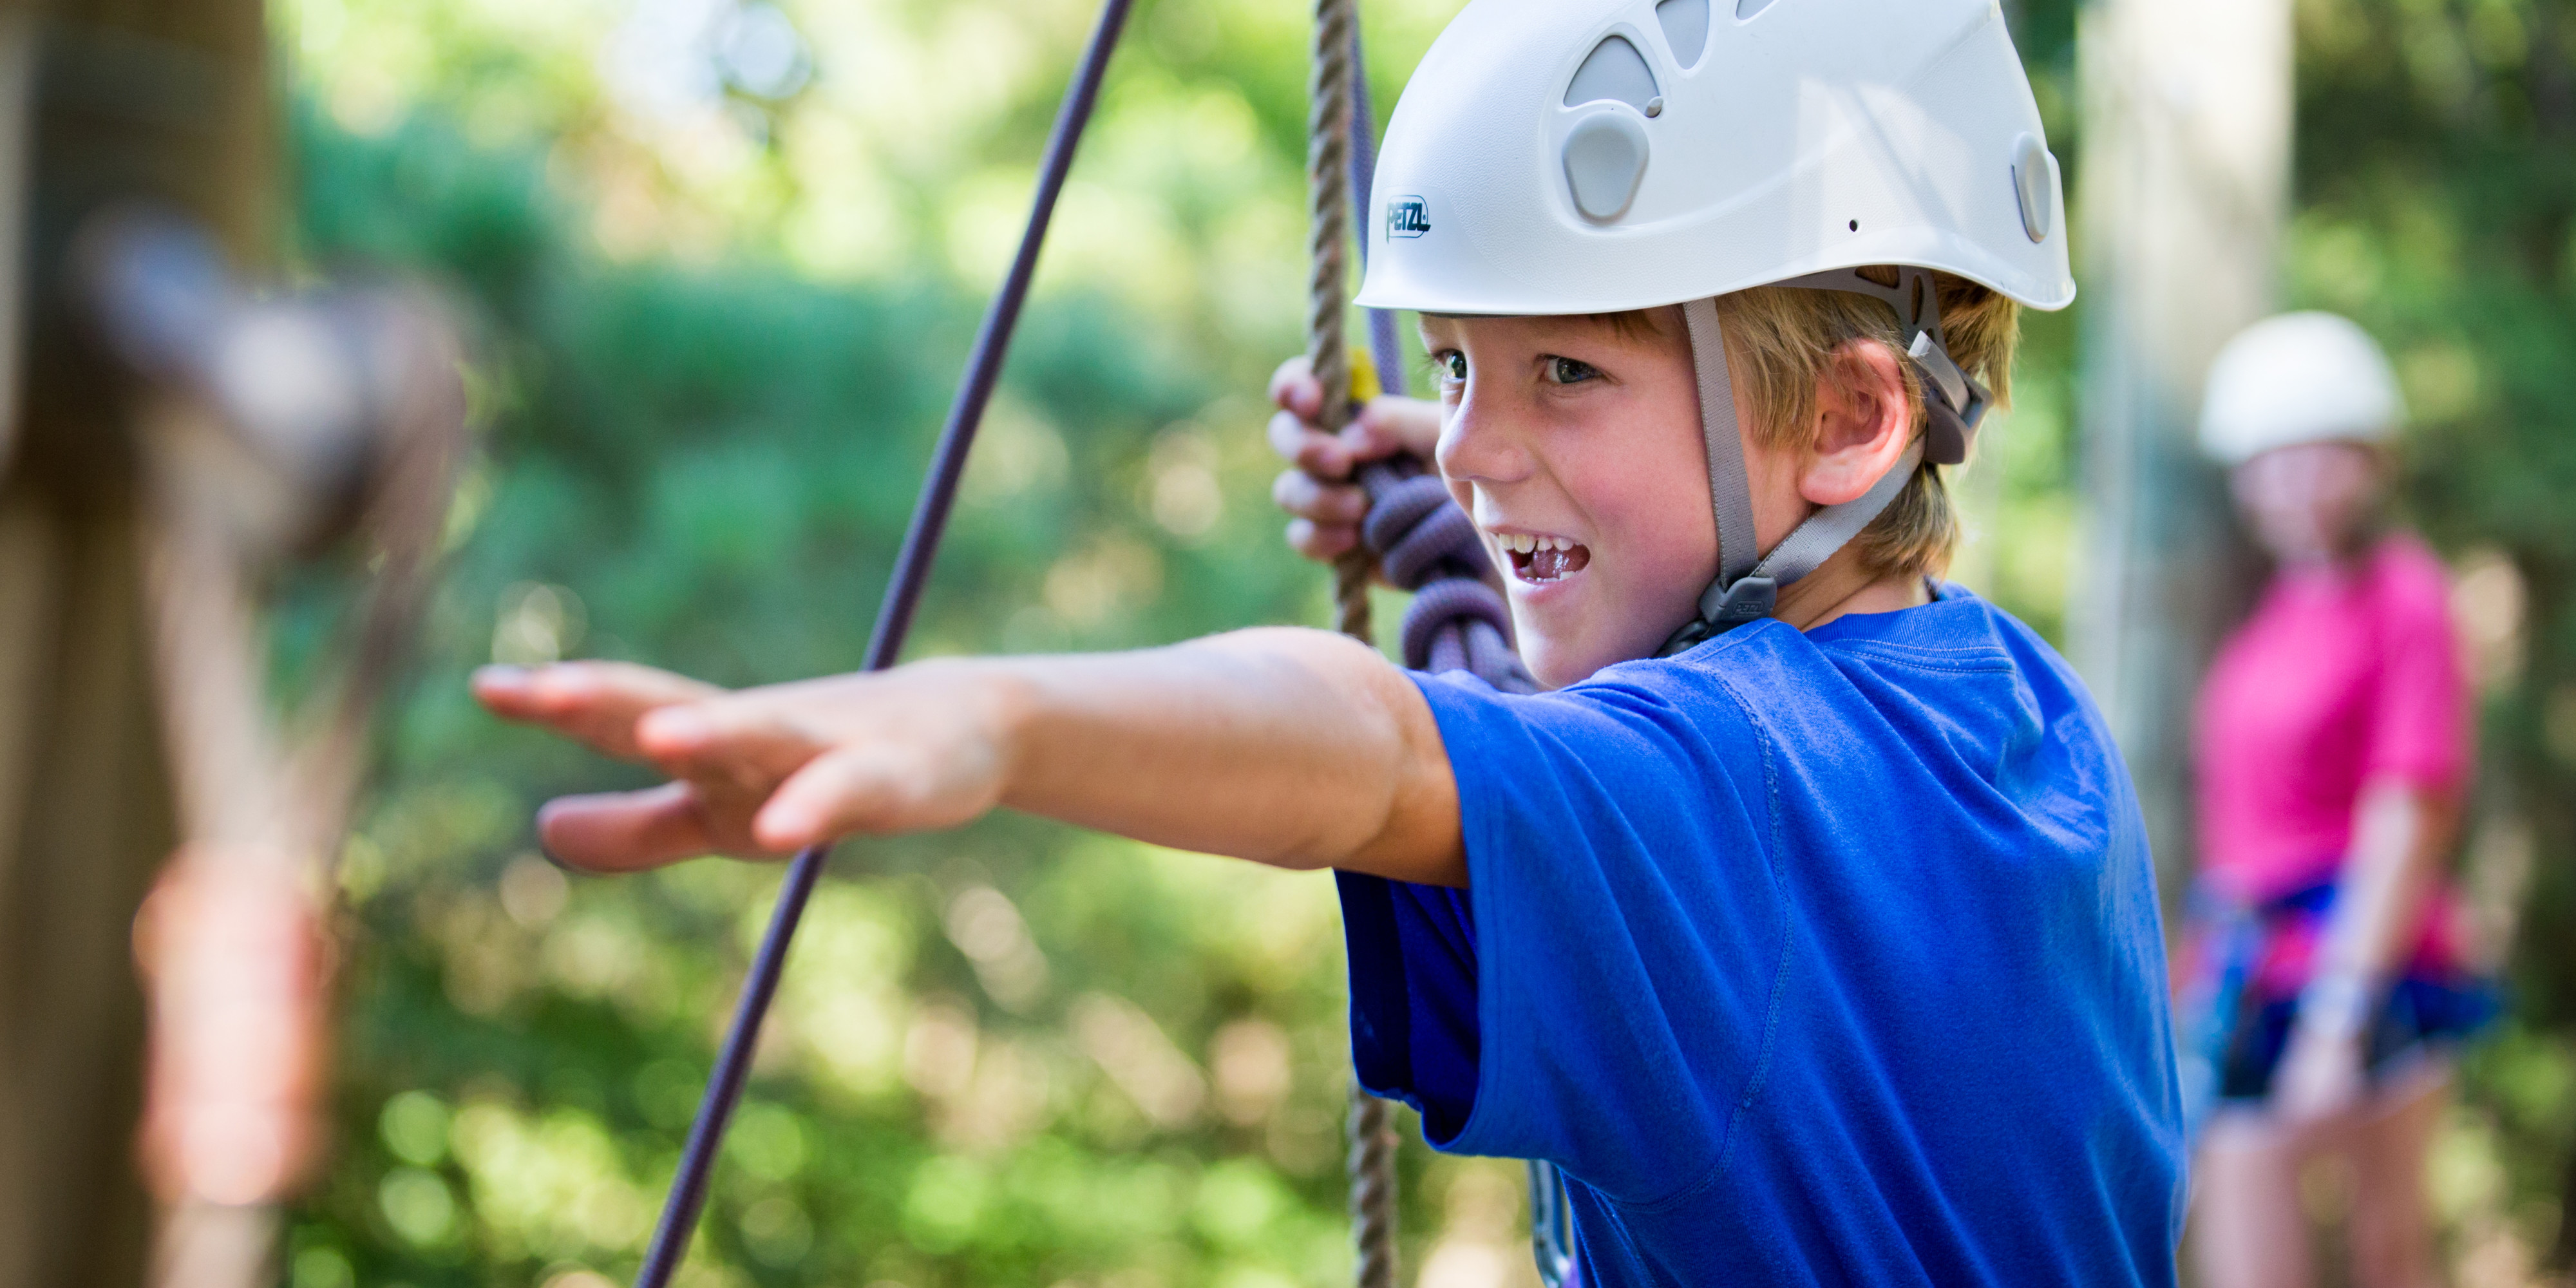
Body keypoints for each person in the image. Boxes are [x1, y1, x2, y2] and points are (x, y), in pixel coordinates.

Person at [473, 0, 2184, 1281]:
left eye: (1563, 373)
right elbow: (1662, 797)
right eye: (1455, 368)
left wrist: (989, 716)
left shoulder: (1721, 788)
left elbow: (1370, 754)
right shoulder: (2017, 722)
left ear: (1850, 414)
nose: (1469, 438)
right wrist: (1473, 540)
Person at [2181, 312, 2495, 1288]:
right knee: (2244, 1261)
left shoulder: (2406, 594)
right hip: (2247, 969)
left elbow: (2411, 807)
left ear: (2369, 464)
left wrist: (2339, 1013)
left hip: (2366, 968)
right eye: (2274, 461)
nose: (2297, 483)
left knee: (2386, 1256)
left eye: (2322, 458)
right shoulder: (2264, 617)